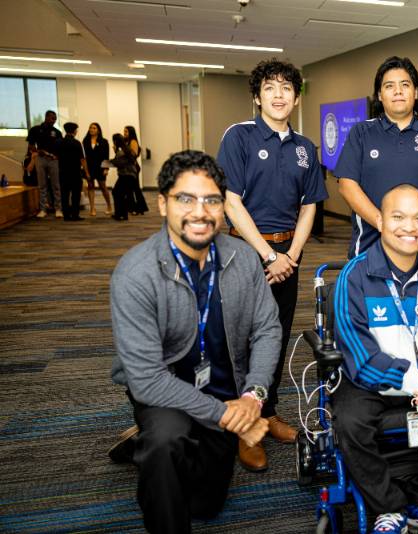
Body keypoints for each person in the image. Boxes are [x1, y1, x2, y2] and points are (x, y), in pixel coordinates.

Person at [109, 150, 282, 533]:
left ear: (224, 207)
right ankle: (152, 442)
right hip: (164, 390)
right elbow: (147, 380)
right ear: (161, 203)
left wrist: (253, 396)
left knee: (206, 504)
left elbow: (268, 328)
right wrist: (228, 418)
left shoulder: (243, 258)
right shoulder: (136, 274)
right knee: (166, 441)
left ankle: (151, 444)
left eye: (211, 200)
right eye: (185, 199)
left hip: (224, 389)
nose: (199, 211)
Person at [332, 184, 418, 534]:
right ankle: (387, 507)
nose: (410, 227)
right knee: (350, 424)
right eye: (399, 217)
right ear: (379, 221)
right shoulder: (355, 276)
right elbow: (358, 353)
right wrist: (414, 380)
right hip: (369, 381)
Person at [218, 59, 328, 471]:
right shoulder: (240, 137)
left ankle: (267, 412)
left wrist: (292, 257)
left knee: (276, 338)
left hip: (289, 256)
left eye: (287, 88)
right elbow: (231, 201)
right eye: (270, 87)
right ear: (257, 95)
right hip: (247, 255)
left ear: (297, 97)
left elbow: (310, 204)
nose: (279, 94)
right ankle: (244, 425)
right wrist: (268, 255)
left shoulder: (305, 148)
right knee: (242, 341)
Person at [334, 56, 418, 259]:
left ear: (415, 92)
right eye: (389, 86)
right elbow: (347, 185)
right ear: (380, 95)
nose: (398, 91)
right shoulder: (362, 132)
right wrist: (383, 222)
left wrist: (413, 226)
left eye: (405, 85)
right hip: (368, 248)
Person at [27, 110, 63, 218]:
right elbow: (31, 145)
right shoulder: (35, 129)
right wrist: (38, 151)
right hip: (40, 159)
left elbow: (61, 148)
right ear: (46, 117)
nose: (54, 120)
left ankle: (58, 209)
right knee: (42, 185)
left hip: (54, 160)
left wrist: (57, 156)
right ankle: (43, 209)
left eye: (55, 118)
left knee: (56, 185)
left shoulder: (57, 132)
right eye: (52, 118)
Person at [58, 122, 90, 221]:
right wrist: (87, 173)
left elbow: (55, 156)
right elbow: (82, 159)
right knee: (75, 195)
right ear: (74, 131)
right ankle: (75, 215)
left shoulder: (59, 142)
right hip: (75, 172)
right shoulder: (77, 143)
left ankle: (66, 215)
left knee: (64, 194)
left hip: (63, 172)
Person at [83, 122, 112, 216]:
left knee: (103, 187)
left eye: (94, 128)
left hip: (100, 168)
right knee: (90, 187)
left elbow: (106, 156)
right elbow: (84, 156)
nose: (92, 129)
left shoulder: (104, 141)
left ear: (98, 130)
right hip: (90, 167)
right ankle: (92, 208)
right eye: (90, 128)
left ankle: (109, 206)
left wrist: (106, 168)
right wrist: (84, 169)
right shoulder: (85, 141)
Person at [109, 133, 138, 221]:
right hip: (131, 175)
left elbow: (119, 163)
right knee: (121, 194)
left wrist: (106, 163)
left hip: (126, 175)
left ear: (115, 141)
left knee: (117, 193)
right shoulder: (127, 149)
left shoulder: (121, 151)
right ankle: (123, 215)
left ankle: (120, 214)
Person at [124, 125, 149, 215]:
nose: (124, 133)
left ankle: (138, 208)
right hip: (129, 167)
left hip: (133, 168)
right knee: (131, 188)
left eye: (126, 131)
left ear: (131, 132)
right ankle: (137, 208)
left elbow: (133, 155)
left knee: (134, 188)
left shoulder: (133, 141)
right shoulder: (126, 142)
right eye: (124, 131)